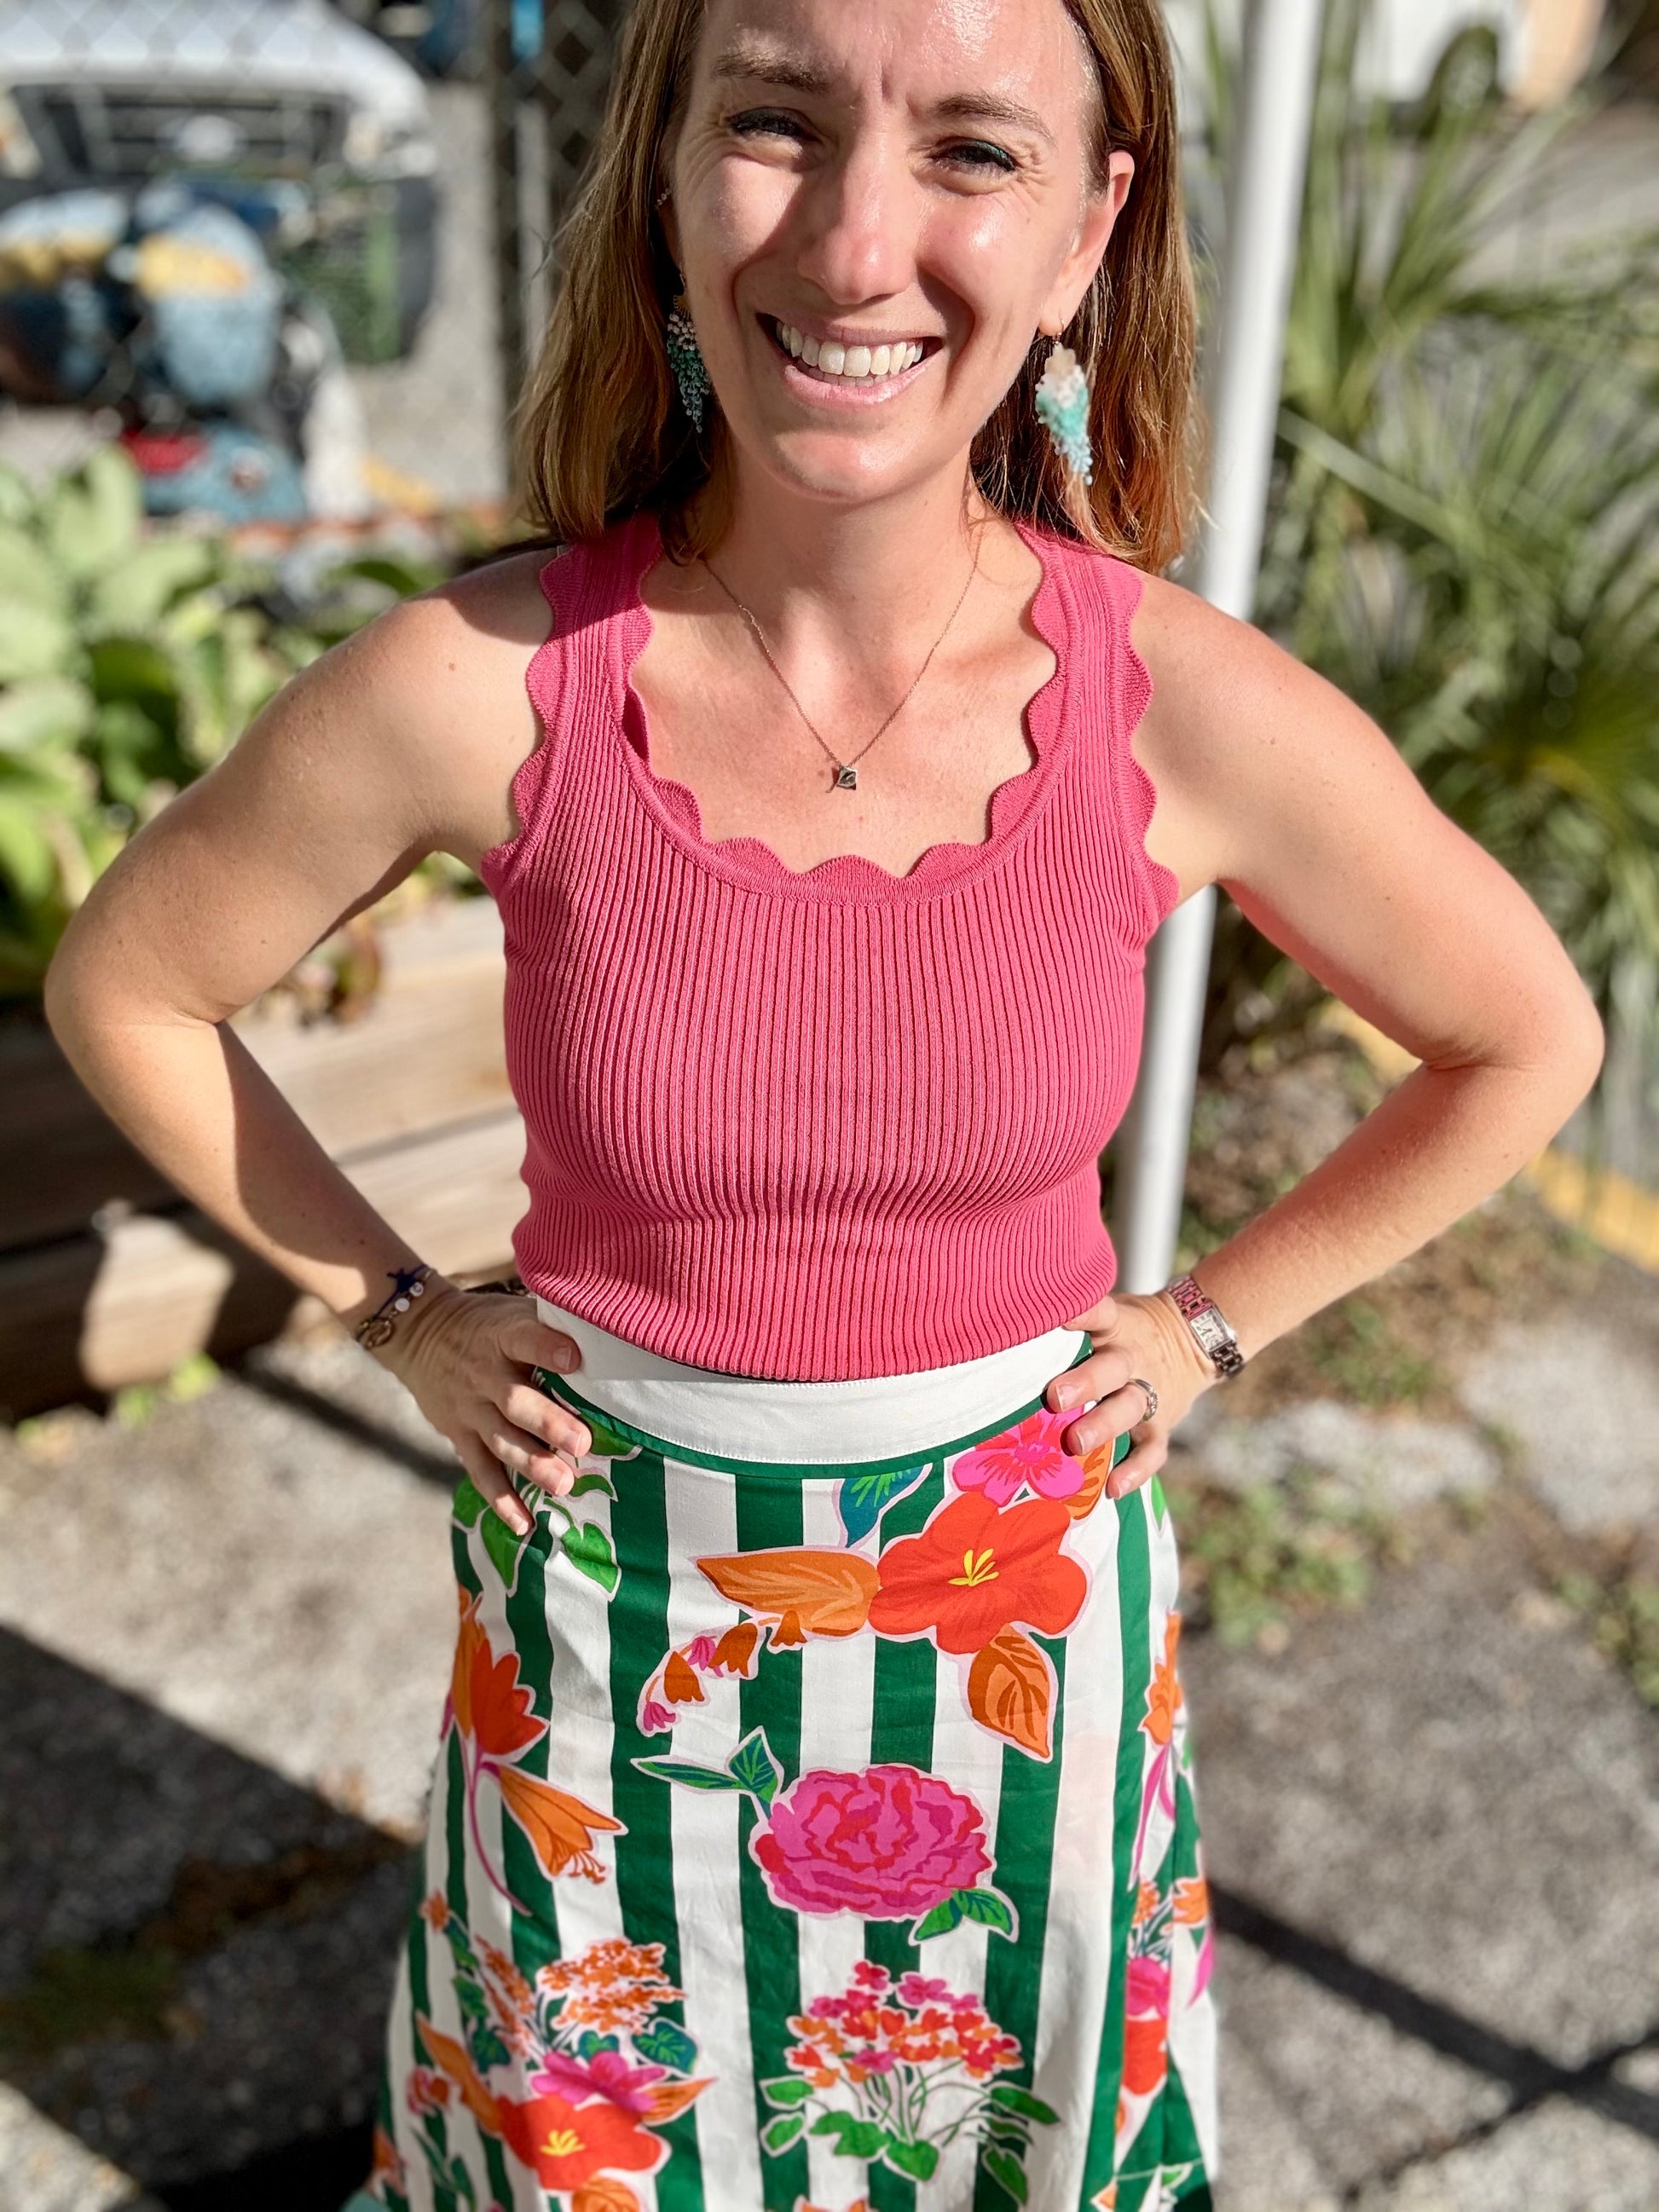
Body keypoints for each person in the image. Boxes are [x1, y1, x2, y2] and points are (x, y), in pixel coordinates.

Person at [43, 0, 1604, 2206]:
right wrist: (393, 1308)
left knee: (996, 2141)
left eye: (971, 150)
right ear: (668, 176)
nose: (860, 244)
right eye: (777, 122)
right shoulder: (485, 685)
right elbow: (131, 984)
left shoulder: (1175, 705)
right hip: (613, 1624)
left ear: (1088, 232)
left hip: (1022, 1636)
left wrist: (1207, 1326)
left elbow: (1524, 1037)